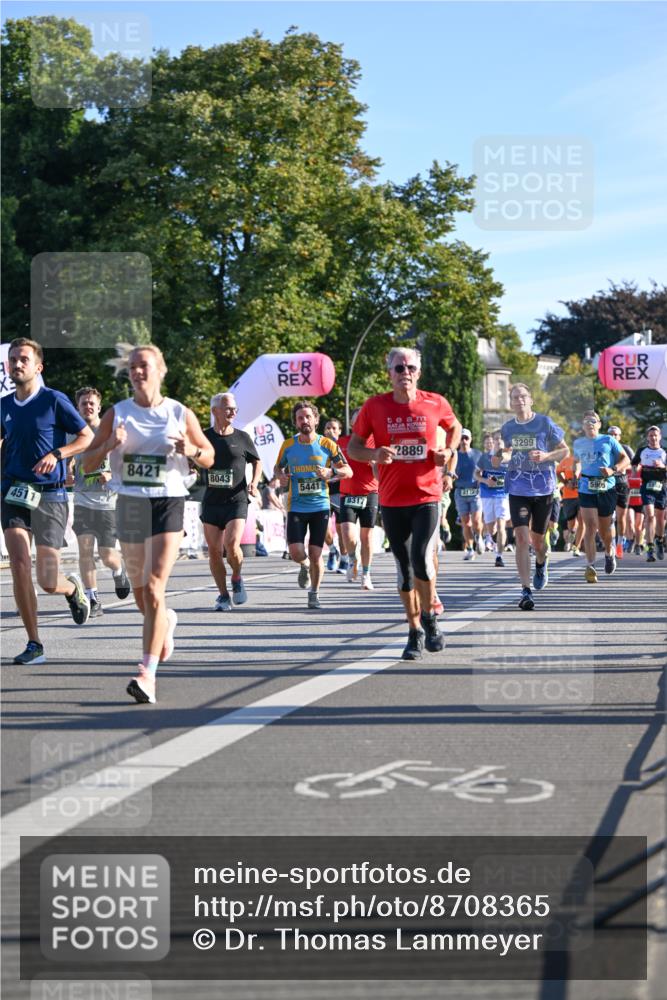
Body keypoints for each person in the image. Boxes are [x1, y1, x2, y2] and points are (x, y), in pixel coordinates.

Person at [83, 344, 214, 704]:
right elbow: (87, 464)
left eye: (144, 365)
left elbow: (209, 456)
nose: (138, 372)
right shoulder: (118, 413)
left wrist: (191, 451)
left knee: (155, 587)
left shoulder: (179, 412)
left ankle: (147, 675)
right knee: (142, 597)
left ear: (161, 370)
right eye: (132, 367)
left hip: (168, 501)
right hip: (130, 504)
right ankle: (165, 623)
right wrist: (109, 444)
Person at [348, 347, 462, 660]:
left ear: (418, 372)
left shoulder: (435, 402)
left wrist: (449, 452)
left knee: (421, 558)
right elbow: (354, 447)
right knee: (404, 570)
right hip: (392, 498)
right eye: (399, 368)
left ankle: (429, 617)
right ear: (390, 373)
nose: (405, 373)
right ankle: (414, 631)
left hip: (426, 496)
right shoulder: (375, 406)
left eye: (411, 368)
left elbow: (454, 427)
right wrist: (374, 454)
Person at [1, 338, 93, 664]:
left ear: (38, 366)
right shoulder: (4, 405)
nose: (17, 364)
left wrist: (58, 454)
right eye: (13, 359)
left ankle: (71, 589)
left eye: (23, 359)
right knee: (19, 564)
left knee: (48, 580)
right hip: (13, 491)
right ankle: (34, 643)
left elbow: (86, 437)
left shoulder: (54, 400)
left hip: (50, 494)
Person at [494, 383, 568, 610]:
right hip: (518, 488)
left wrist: (546, 456)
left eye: (523, 396)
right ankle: (525, 590)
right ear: (511, 403)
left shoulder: (545, 423)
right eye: (515, 397)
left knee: (538, 542)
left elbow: (565, 451)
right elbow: (506, 454)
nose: (519, 400)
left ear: (531, 400)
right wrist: (500, 455)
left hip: (543, 489)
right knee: (522, 539)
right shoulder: (507, 428)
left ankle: (541, 562)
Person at [274, 401, 352, 608]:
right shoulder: (288, 445)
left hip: (320, 506)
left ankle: (314, 593)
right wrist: (281, 476)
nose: (305, 421)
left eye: (308, 417)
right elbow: (277, 468)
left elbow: (348, 471)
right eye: (300, 418)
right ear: (295, 422)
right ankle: (304, 564)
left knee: (316, 553)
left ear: (316, 420)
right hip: (296, 505)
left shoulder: (328, 445)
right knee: (296, 552)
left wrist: (331, 472)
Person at [70, 386, 131, 616]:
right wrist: (66, 473)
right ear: (77, 407)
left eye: (91, 403)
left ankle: (119, 571)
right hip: (82, 500)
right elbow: (66, 459)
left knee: (107, 555)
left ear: (99, 407)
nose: (87, 406)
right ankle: (92, 599)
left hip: (108, 503)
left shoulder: (111, 433)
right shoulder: (72, 433)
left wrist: (112, 475)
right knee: (85, 551)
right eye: (83, 403)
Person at [200, 392, 262, 610]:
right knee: (214, 551)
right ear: (215, 411)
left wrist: (254, 482)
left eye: (235, 408)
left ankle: (236, 576)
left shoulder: (242, 437)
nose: (233, 412)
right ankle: (223, 595)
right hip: (211, 501)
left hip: (237, 499)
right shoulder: (204, 437)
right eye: (228, 408)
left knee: (232, 545)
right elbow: (193, 458)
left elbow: (257, 462)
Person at [572, 411, 630, 582]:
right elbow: (576, 461)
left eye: (593, 421)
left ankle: (609, 551)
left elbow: (625, 459)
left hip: (607, 487)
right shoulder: (578, 443)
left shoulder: (608, 440)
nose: (590, 423)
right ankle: (590, 566)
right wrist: (575, 472)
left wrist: (613, 469)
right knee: (590, 526)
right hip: (586, 487)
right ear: (583, 426)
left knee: (605, 531)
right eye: (586, 421)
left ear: (599, 425)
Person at [337, 407, 379, 590]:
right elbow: (334, 466)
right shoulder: (342, 443)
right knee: (347, 533)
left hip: (370, 494)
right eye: (357, 419)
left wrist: (375, 463)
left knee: (367, 537)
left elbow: (380, 475)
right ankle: (353, 559)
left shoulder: (376, 443)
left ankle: (366, 574)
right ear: (352, 423)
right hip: (348, 493)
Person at [631, 425, 666, 562]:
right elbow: (634, 464)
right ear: (647, 437)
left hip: (661, 486)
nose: (653, 438)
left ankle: (659, 540)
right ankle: (650, 548)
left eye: (655, 435)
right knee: (650, 516)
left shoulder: (664, 451)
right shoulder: (642, 451)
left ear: (660, 437)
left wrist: (662, 466)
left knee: (660, 518)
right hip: (647, 486)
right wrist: (636, 468)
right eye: (651, 435)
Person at [475, 432, 510, 568]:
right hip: (487, 495)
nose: (499, 441)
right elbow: (476, 474)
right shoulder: (485, 457)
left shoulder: (509, 457)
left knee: (501, 526)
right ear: (493, 442)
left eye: (501, 439)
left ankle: (499, 556)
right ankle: (494, 539)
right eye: (496, 439)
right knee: (491, 529)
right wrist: (485, 481)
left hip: (502, 495)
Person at [452, 430, 483, 560]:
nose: (464, 441)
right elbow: (448, 471)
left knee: (476, 521)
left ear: (470, 439)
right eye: (461, 438)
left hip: (475, 491)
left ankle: (479, 537)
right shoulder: (454, 455)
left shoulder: (478, 454)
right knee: (466, 522)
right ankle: (470, 549)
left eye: (466, 438)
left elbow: (484, 470)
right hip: (460, 492)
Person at [322, 417, 348, 574]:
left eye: (333, 428)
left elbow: (348, 467)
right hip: (323, 491)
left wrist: (335, 442)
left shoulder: (343, 445)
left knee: (340, 528)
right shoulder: (319, 446)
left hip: (340, 491)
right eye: (327, 428)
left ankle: (344, 558)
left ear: (339, 431)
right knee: (322, 526)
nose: (330, 430)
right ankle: (332, 550)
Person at [606, 426, 635, 559]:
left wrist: (621, 466)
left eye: (615, 435)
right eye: (610, 434)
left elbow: (634, 465)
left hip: (622, 484)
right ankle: (612, 544)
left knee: (621, 518)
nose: (613, 437)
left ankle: (619, 543)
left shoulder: (625, 448)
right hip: (607, 484)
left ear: (619, 437)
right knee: (609, 517)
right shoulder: (604, 448)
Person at [556, 450, 584, 556]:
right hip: (568, 496)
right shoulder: (566, 461)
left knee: (582, 520)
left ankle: (577, 546)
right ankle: (572, 535)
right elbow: (558, 472)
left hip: (583, 495)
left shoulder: (587, 461)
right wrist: (565, 482)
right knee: (571, 524)